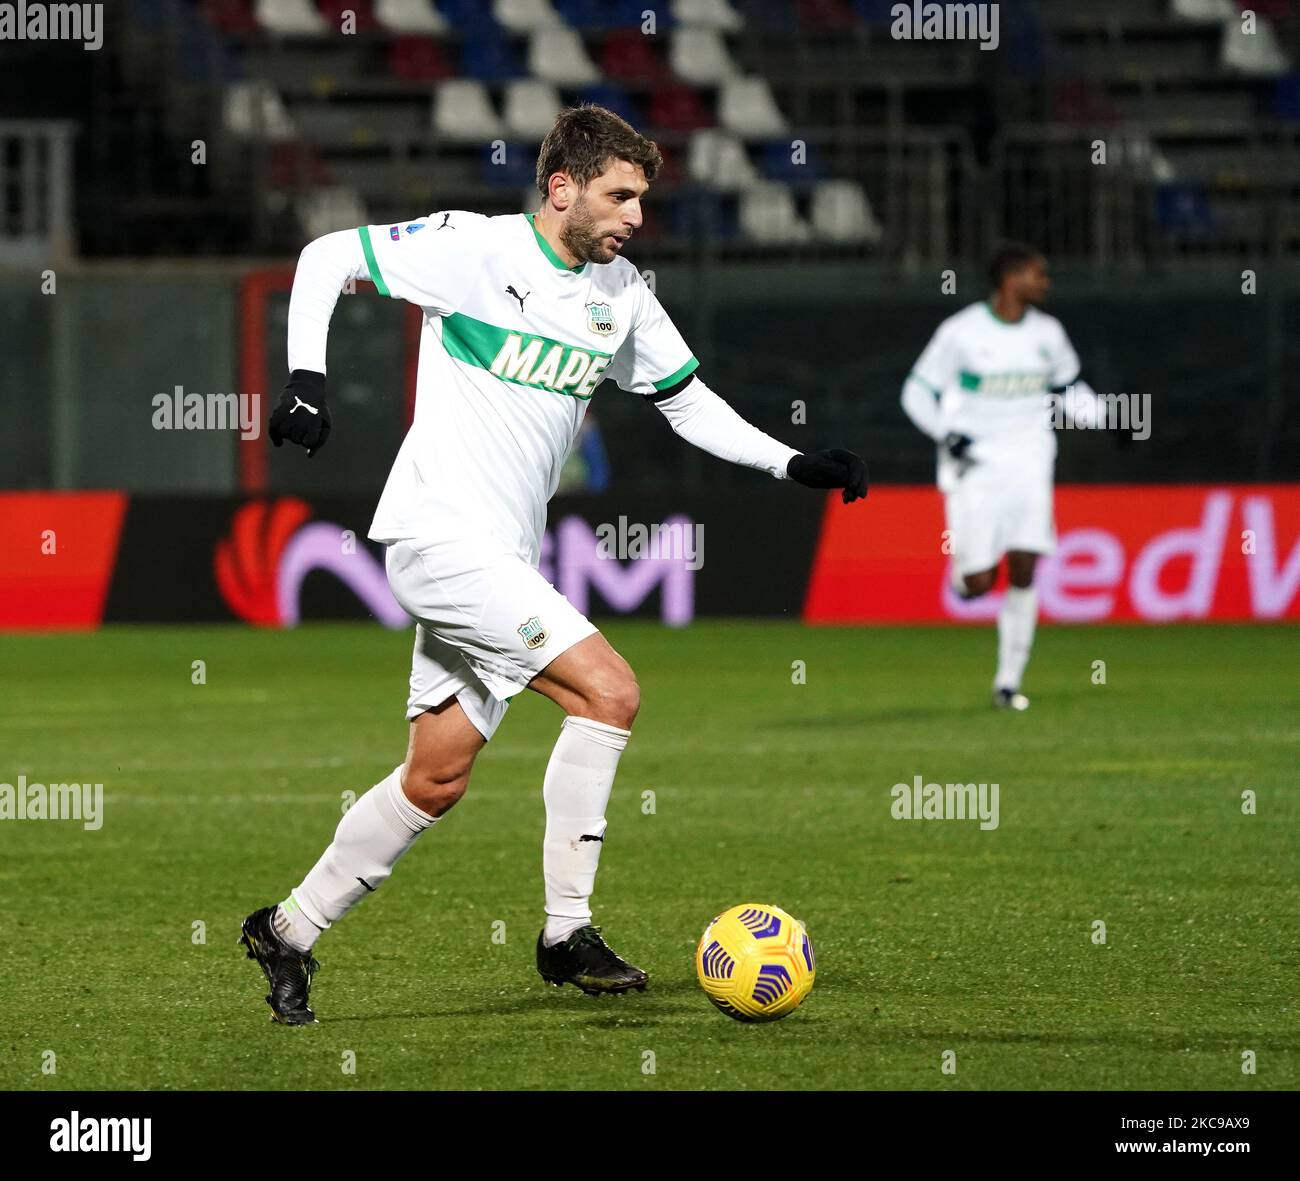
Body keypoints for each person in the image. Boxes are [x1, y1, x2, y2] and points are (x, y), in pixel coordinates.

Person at [240, 105, 868, 1024]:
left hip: (502, 556)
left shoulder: (621, 295)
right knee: (609, 691)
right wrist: (305, 377)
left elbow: (688, 404)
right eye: (620, 196)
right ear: (562, 187)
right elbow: (324, 257)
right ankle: (564, 930)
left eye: (643, 199)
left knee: (436, 777)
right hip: (438, 539)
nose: (635, 218)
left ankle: (285, 929)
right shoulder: (472, 247)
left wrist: (791, 461)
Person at [901, 242, 1101, 710]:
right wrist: (945, 433)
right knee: (979, 583)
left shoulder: (1049, 334)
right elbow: (916, 391)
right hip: (977, 465)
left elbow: (1069, 387)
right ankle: (963, 579)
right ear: (1011, 281)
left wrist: (1109, 418)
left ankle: (1008, 683)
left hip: (1031, 460)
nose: (1046, 283)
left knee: (1026, 566)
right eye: (1038, 274)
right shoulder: (962, 332)